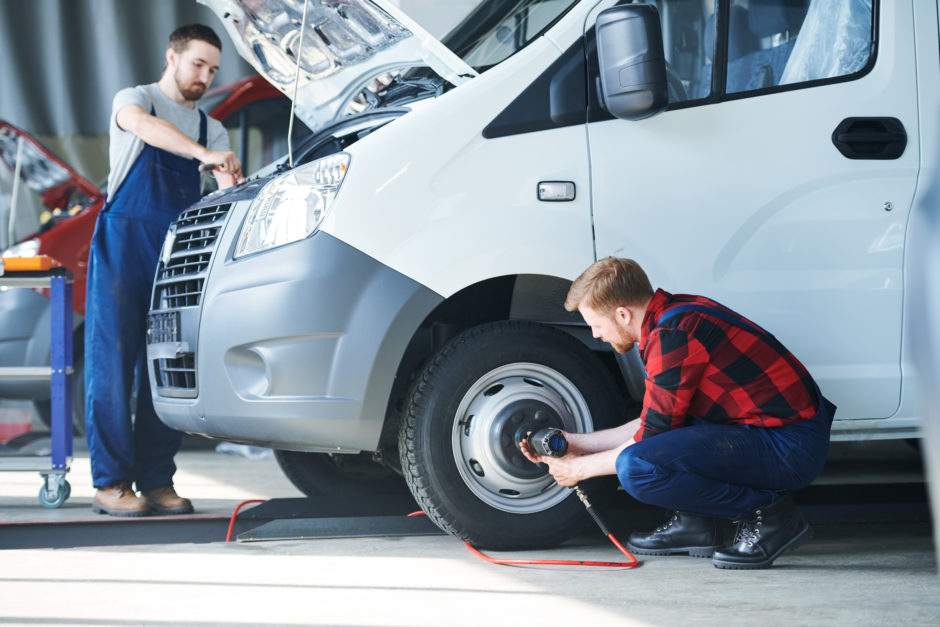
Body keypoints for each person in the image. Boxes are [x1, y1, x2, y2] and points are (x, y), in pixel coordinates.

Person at [520, 257, 836, 569]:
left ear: (622, 314)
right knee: (660, 444)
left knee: (636, 468)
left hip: (789, 446)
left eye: (597, 325)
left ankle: (770, 517)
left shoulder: (674, 334)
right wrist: (573, 442)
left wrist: (580, 470)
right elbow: (653, 422)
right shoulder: (674, 316)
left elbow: (649, 439)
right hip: (777, 436)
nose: (596, 335)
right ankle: (695, 526)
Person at [84, 24, 243, 517]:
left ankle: (155, 481)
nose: (205, 76)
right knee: (110, 365)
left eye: (213, 69)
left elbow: (221, 193)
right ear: (171, 57)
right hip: (123, 243)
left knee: (166, 368)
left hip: (174, 255)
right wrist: (201, 156)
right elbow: (140, 126)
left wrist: (225, 178)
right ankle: (110, 483)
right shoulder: (137, 100)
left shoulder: (211, 128)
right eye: (198, 63)